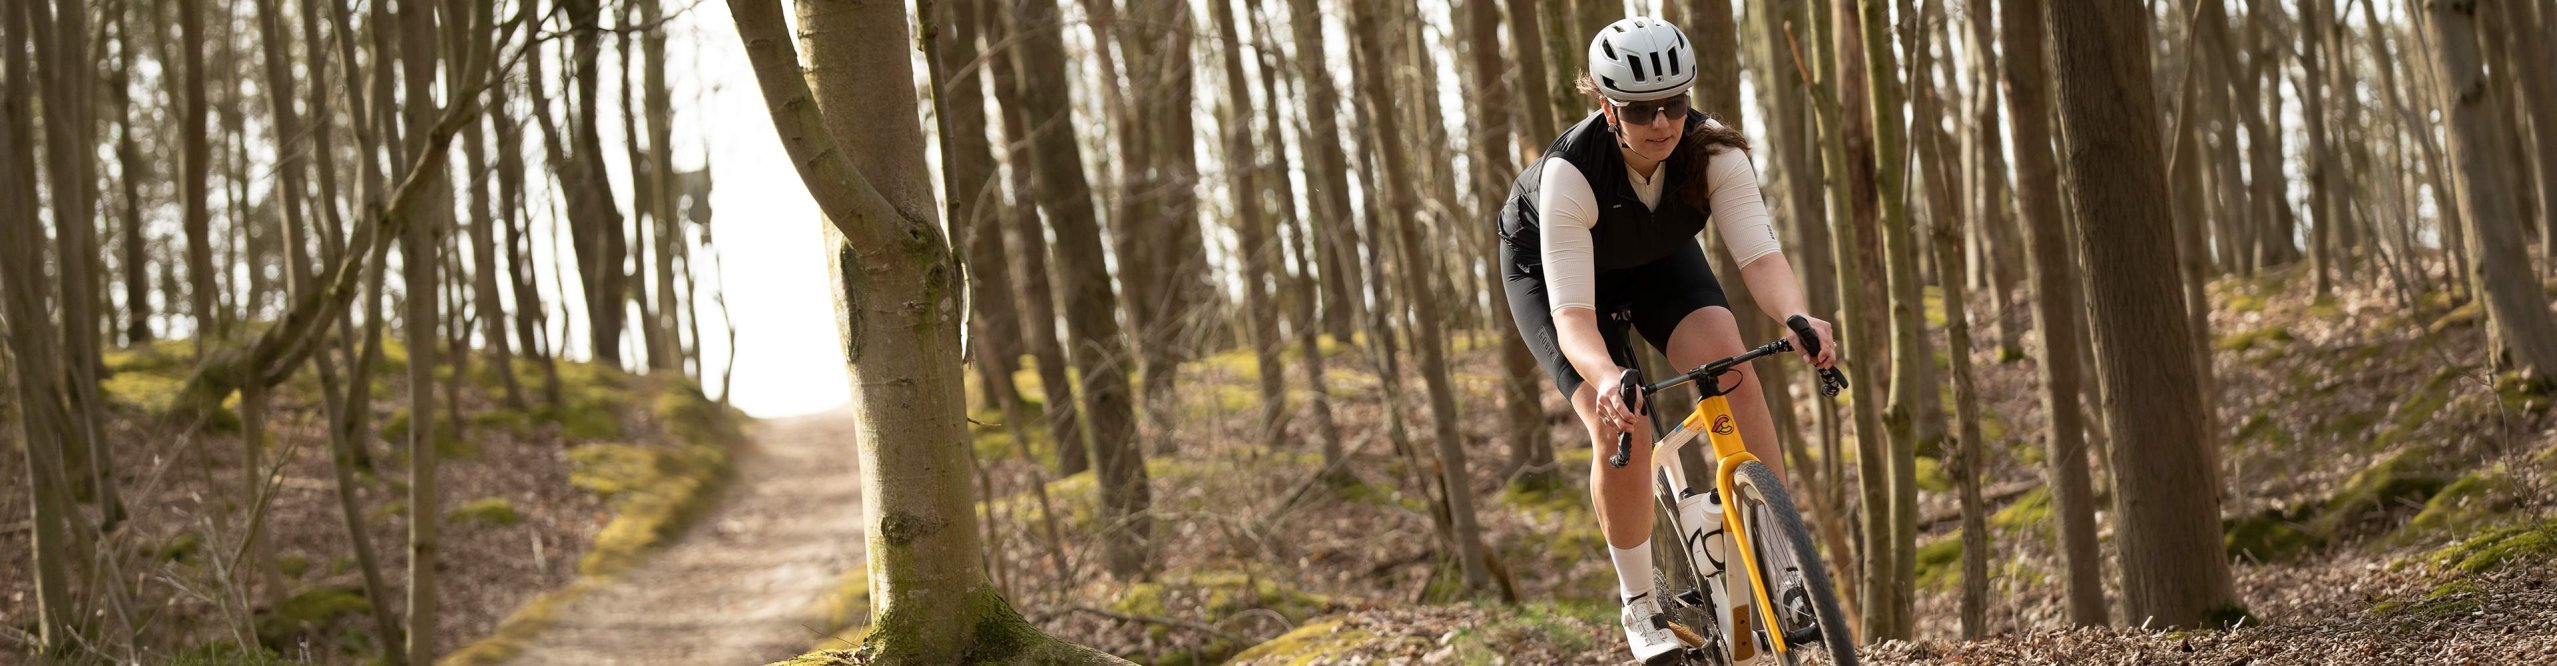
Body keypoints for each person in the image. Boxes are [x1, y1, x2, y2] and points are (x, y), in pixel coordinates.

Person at [1495, 16, 1839, 664]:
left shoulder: (1713, 151)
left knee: (1731, 365)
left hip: (1654, 259)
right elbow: (1572, 320)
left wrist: (1797, 315)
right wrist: (1604, 378)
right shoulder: (1570, 173)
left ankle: (1787, 572)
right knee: (1624, 426)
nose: (1660, 122)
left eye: (1673, 104)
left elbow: (1760, 260)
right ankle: (1638, 603)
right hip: (1556, 277)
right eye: (1639, 109)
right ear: (1606, 108)